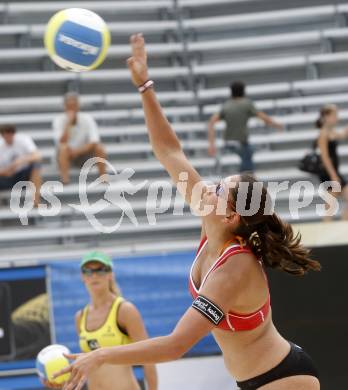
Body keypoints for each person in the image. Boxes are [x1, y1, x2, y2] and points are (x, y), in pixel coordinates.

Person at [54, 34, 321, 390]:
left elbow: (176, 345)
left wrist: (101, 354)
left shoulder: (236, 265)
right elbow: (169, 151)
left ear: (232, 216)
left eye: (219, 188)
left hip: (284, 377)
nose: (207, 186)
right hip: (254, 379)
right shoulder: (211, 226)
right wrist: (145, 86)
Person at [45, 250, 157, 390]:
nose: (94, 275)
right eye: (88, 271)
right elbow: (87, 366)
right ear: (82, 276)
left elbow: (149, 357)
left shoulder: (124, 310)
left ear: (111, 274)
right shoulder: (80, 317)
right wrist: (61, 383)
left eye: (100, 270)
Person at [208, 81, 283, 173]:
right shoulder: (246, 104)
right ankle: (246, 181)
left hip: (228, 144)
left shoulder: (226, 105)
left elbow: (211, 122)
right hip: (241, 143)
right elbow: (263, 117)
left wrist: (211, 144)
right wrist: (276, 125)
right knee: (248, 168)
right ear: (243, 91)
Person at [53, 93, 108, 184]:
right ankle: (65, 180)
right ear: (65, 107)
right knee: (63, 148)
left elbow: (94, 141)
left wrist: (77, 151)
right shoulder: (58, 120)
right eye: (69, 106)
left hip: (83, 153)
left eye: (74, 106)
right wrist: (68, 124)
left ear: (78, 106)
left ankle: (103, 179)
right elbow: (61, 142)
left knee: (100, 148)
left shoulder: (87, 118)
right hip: (67, 155)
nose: (72, 109)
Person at [316, 104, 348, 220]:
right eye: (334, 115)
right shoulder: (323, 134)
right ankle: (331, 226)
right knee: (330, 204)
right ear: (326, 116)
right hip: (329, 172)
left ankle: (342, 225)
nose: (337, 117)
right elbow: (325, 157)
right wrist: (333, 175)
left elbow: (342, 135)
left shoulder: (331, 132)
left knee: (330, 203)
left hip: (333, 172)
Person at [0, 124, 42, 207]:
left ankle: (36, 200)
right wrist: (7, 170)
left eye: (10, 134)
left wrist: (21, 161)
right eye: (5, 135)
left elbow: (37, 156)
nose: (8, 137)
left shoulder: (23, 139)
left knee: (36, 166)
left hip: (23, 174)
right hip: (6, 176)